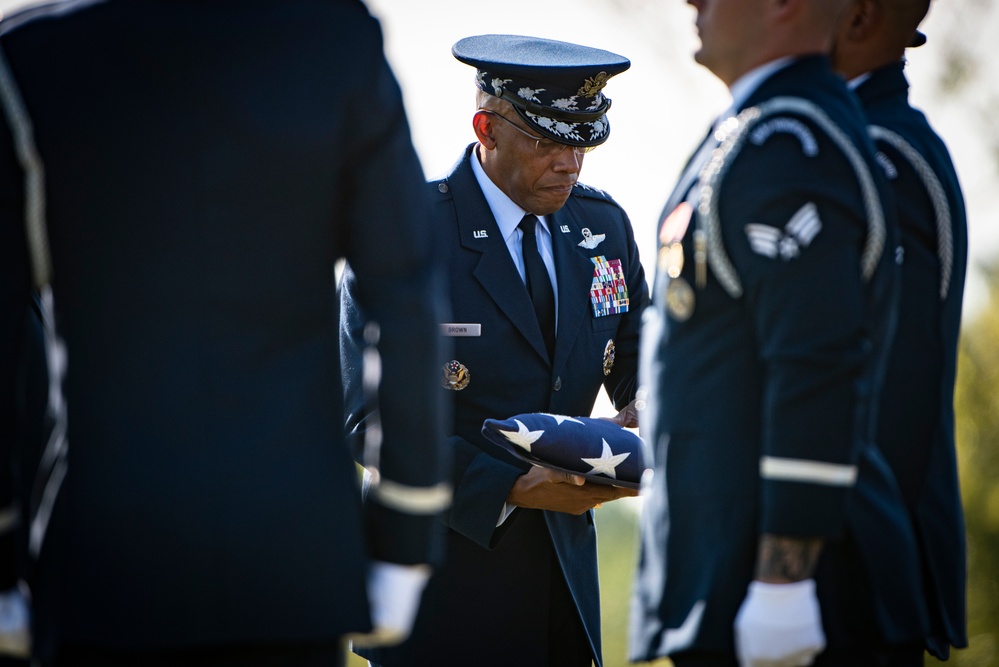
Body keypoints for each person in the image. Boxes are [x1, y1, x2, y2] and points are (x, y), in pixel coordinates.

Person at [0, 0, 450, 665]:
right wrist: (404, 538)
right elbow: (406, 299)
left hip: (101, 559)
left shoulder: (33, 54)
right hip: (291, 561)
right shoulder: (337, 43)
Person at [629, 0, 932, 664]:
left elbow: (814, 363)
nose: (691, 2)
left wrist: (781, 583)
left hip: (789, 596)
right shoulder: (763, 131)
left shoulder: (789, 146)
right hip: (735, 578)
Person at [339, 34, 649, 667]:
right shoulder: (408, 234)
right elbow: (365, 421)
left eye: (584, 141)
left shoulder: (603, 228)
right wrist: (511, 487)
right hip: (441, 597)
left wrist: (644, 415)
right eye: (549, 141)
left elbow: (647, 362)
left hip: (565, 593)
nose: (571, 164)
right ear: (487, 128)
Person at [831, 0, 969, 659]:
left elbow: (892, 388)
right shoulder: (856, 138)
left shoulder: (877, 152)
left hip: (853, 562)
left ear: (859, 18)